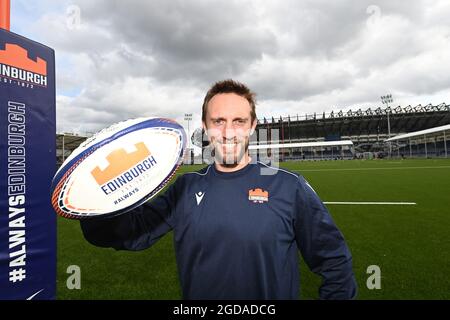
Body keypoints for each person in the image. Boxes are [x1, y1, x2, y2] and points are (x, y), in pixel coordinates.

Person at [80, 79, 357, 300]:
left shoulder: (288, 185)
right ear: (205, 127)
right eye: (218, 121)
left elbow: (334, 262)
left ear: (252, 127)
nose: (227, 132)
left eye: (239, 121)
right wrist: (94, 201)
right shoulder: (186, 188)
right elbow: (128, 234)